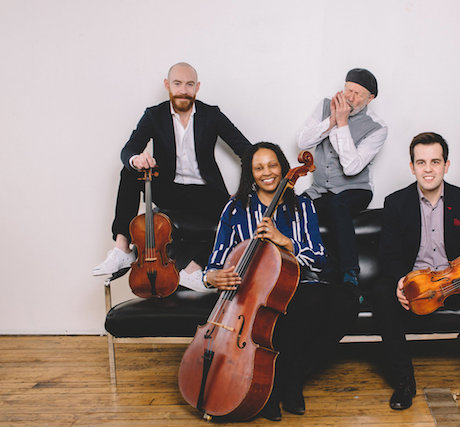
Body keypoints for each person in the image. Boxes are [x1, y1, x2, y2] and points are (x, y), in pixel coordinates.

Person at [204, 142, 359, 421]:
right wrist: (212, 276)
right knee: (287, 314)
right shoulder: (236, 208)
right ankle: (274, 390)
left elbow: (319, 258)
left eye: (273, 165)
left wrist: (283, 241)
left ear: (283, 168)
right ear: (250, 174)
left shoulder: (302, 205)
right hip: (251, 295)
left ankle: (293, 377)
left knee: (345, 305)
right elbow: (215, 262)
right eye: (259, 167)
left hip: (299, 287)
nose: (267, 172)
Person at [373, 132, 460, 410]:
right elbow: (388, 254)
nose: (428, 169)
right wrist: (401, 283)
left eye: (435, 161)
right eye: (421, 162)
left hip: (456, 285)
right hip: (417, 287)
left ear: (446, 165)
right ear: (412, 167)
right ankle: (403, 380)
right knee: (380, 293)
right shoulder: (395, 203)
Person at [92, 62, 251, 290]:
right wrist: (136, 159)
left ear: (197, 87)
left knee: (234, 219)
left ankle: (193, 269)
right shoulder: (154, 116)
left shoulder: (211, 115)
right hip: (169, 189)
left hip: (206, 191)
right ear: (168, 85)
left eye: (189, 84)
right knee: (128, 171)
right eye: (177, 84)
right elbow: (128, 150)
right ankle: (122, 249)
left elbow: (247, 150)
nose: (183, 90)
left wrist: (244, 189)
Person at [297, 68, 387, 293]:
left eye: (358, 94)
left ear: (370, 99)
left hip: (355, 189)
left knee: (337, 206)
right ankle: (315, 271)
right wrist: (331, 120)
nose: (350, 97)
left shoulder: (378, 127)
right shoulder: (326, 105)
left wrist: (342, 122)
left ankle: (350, 274)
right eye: (348, 90)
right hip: (321, 189)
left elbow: (351, 166)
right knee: (296, 208)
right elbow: (303, 141)